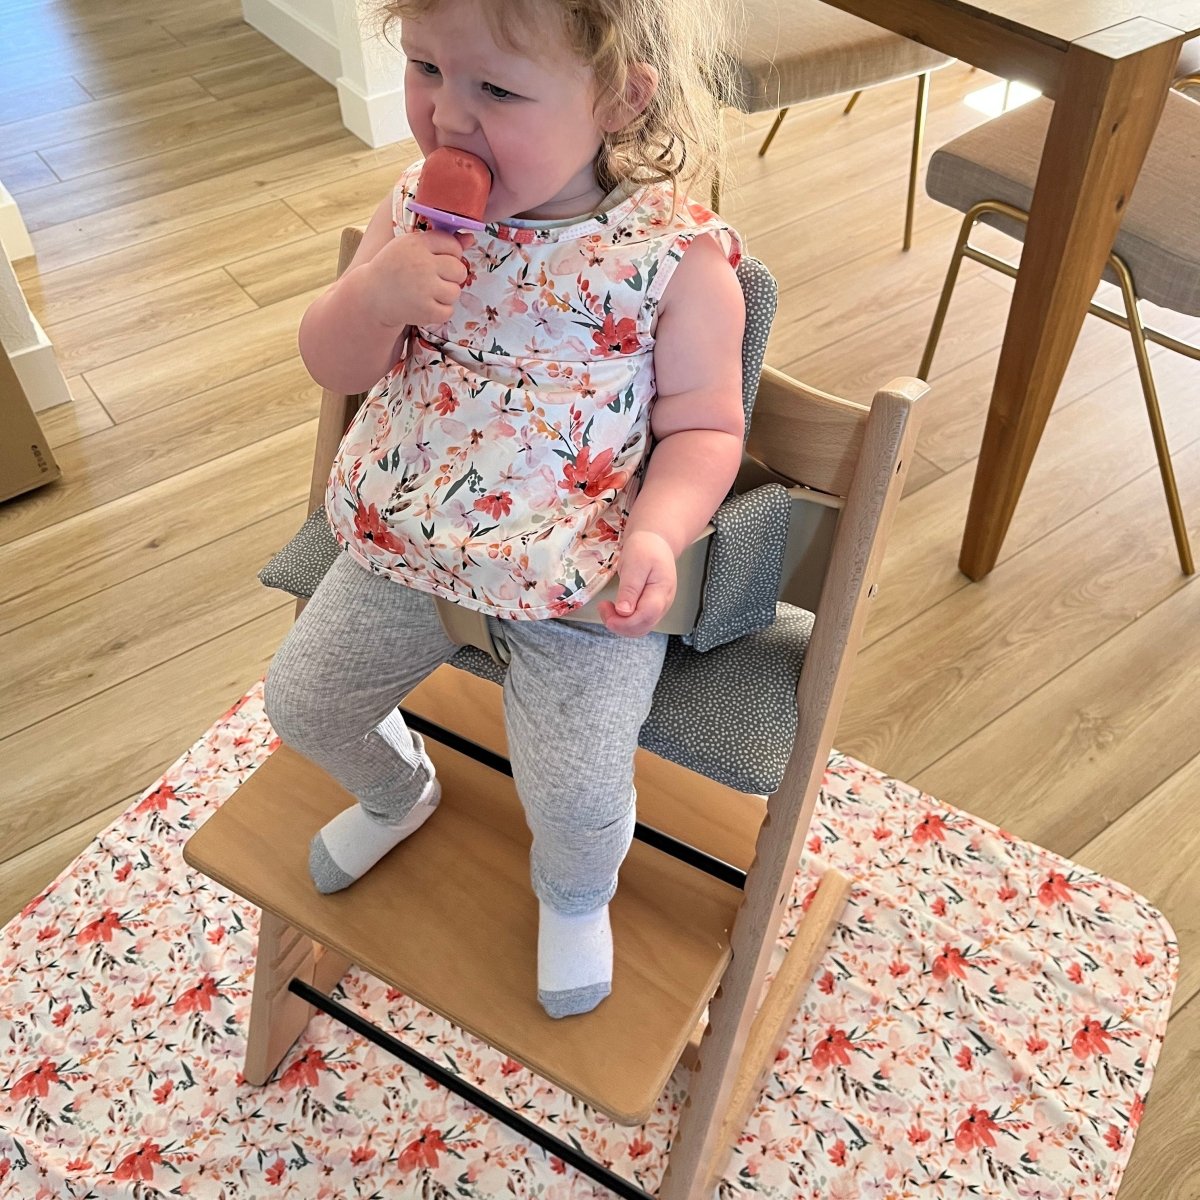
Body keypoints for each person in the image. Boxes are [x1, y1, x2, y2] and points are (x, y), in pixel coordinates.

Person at [264, 0, 746, 1018]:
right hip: (407, 538)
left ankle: (575, 895)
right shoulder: (410, 210)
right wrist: (371, 299)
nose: (446, 116)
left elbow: (706, 427)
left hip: (578, 577)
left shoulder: (676, 258)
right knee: (303, 703)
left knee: (572, 791)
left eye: (496, 89)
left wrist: (660, 533)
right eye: (427, 68)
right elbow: (332, 365)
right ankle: (402, 791)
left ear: (617, 99)